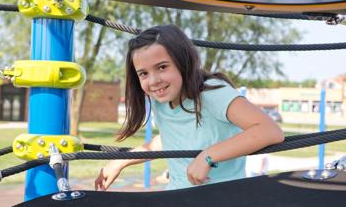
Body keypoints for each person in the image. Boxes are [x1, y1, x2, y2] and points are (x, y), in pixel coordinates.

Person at [94, 25, 284, 191]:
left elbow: (269, 130)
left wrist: (208, 157)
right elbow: (172, 138)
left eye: (162, 67)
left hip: (223, 197)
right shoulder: (162, 101)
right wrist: (120, 162)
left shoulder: (212, 94)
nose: (153, 81)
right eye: (143, 73)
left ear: (183, 62)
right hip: (178, 195)